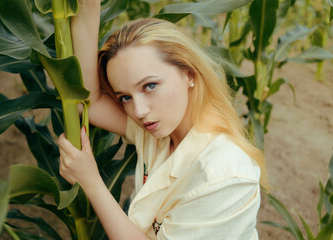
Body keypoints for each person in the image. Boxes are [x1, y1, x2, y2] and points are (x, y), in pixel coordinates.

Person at [58, 0, 268, 239]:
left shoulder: (223, 177)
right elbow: (88, 102)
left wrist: (91, 182)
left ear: (188, 73)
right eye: (125, 97)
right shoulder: (161, 129)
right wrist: (88, 8)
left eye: (149, 85)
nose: (138, 111)